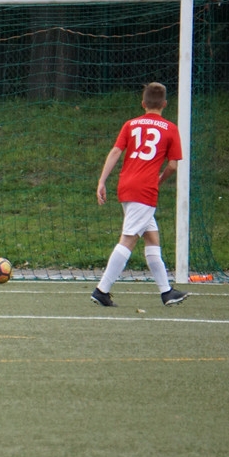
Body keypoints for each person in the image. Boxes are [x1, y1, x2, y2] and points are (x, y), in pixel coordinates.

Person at [91, 82, 188, 307]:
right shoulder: (170, 128)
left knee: (152, 238)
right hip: (145, 190)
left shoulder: (130, 124)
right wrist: (159, 180)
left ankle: (166, 292)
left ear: (143, 103)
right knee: (129, 239)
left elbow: (116, 151)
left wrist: (102, 181)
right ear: (165, 104)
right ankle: (101, 290)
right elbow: (173, 165)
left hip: (126, 186)